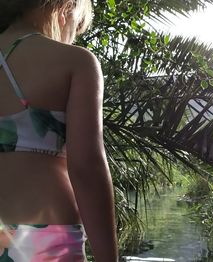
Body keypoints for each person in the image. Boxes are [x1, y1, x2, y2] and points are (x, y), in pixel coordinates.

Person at [0, 0, 119, 261]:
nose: (71, 39)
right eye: (76, 27)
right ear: (65, 8)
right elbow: (87, 168)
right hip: (44, 240)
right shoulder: (75, 62)